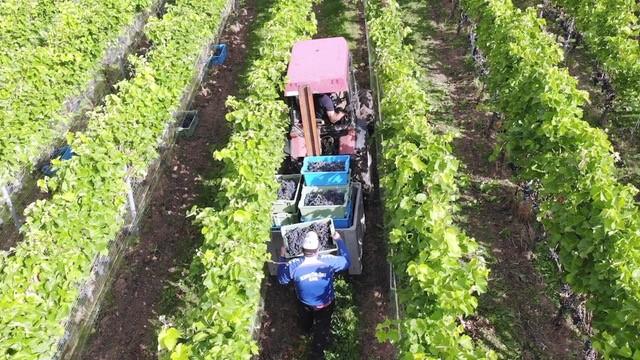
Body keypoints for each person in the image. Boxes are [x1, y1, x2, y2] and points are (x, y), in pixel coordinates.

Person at [278, 230, 351, 359]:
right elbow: (346, 262)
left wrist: (282, 256)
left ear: (301, 249)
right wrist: (339, 240)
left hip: (304, 303)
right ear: (318, 249)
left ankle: (306, 330)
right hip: (326, 304)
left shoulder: (293, 266)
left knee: (305, 320)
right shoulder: (328, 261)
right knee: (322, 328)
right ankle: (317, 352)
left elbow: (282, 279)